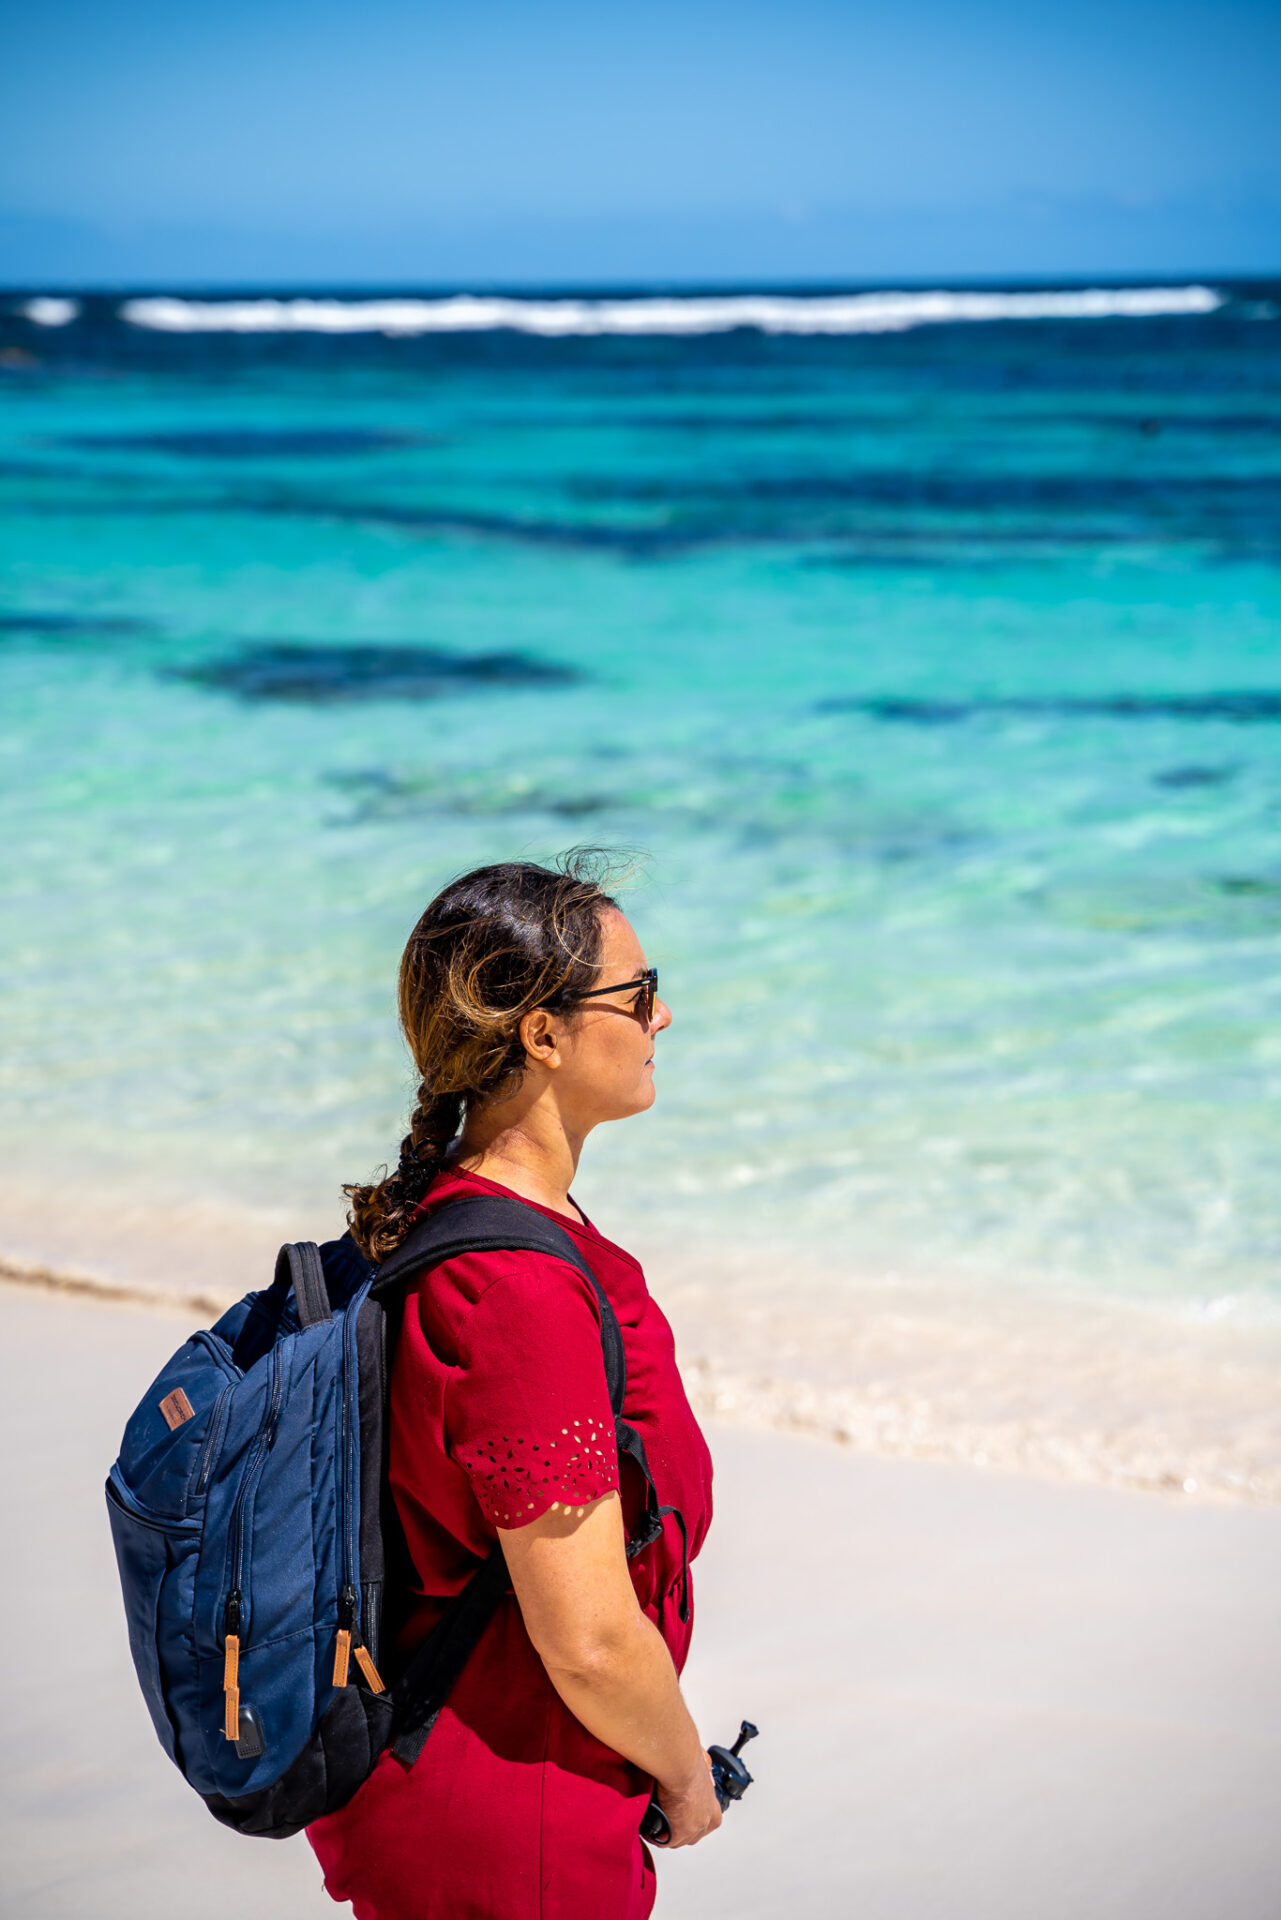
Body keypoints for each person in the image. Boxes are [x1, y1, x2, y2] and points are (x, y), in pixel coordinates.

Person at [308, 858, 719, 1920]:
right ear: (541, 1033)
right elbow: (588, 1637)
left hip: (483, 1785)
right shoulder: (515, 1290)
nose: (663, 1015)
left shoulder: (455, 1215)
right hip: (508, 1812)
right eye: (639, 991)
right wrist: (684, 1772)